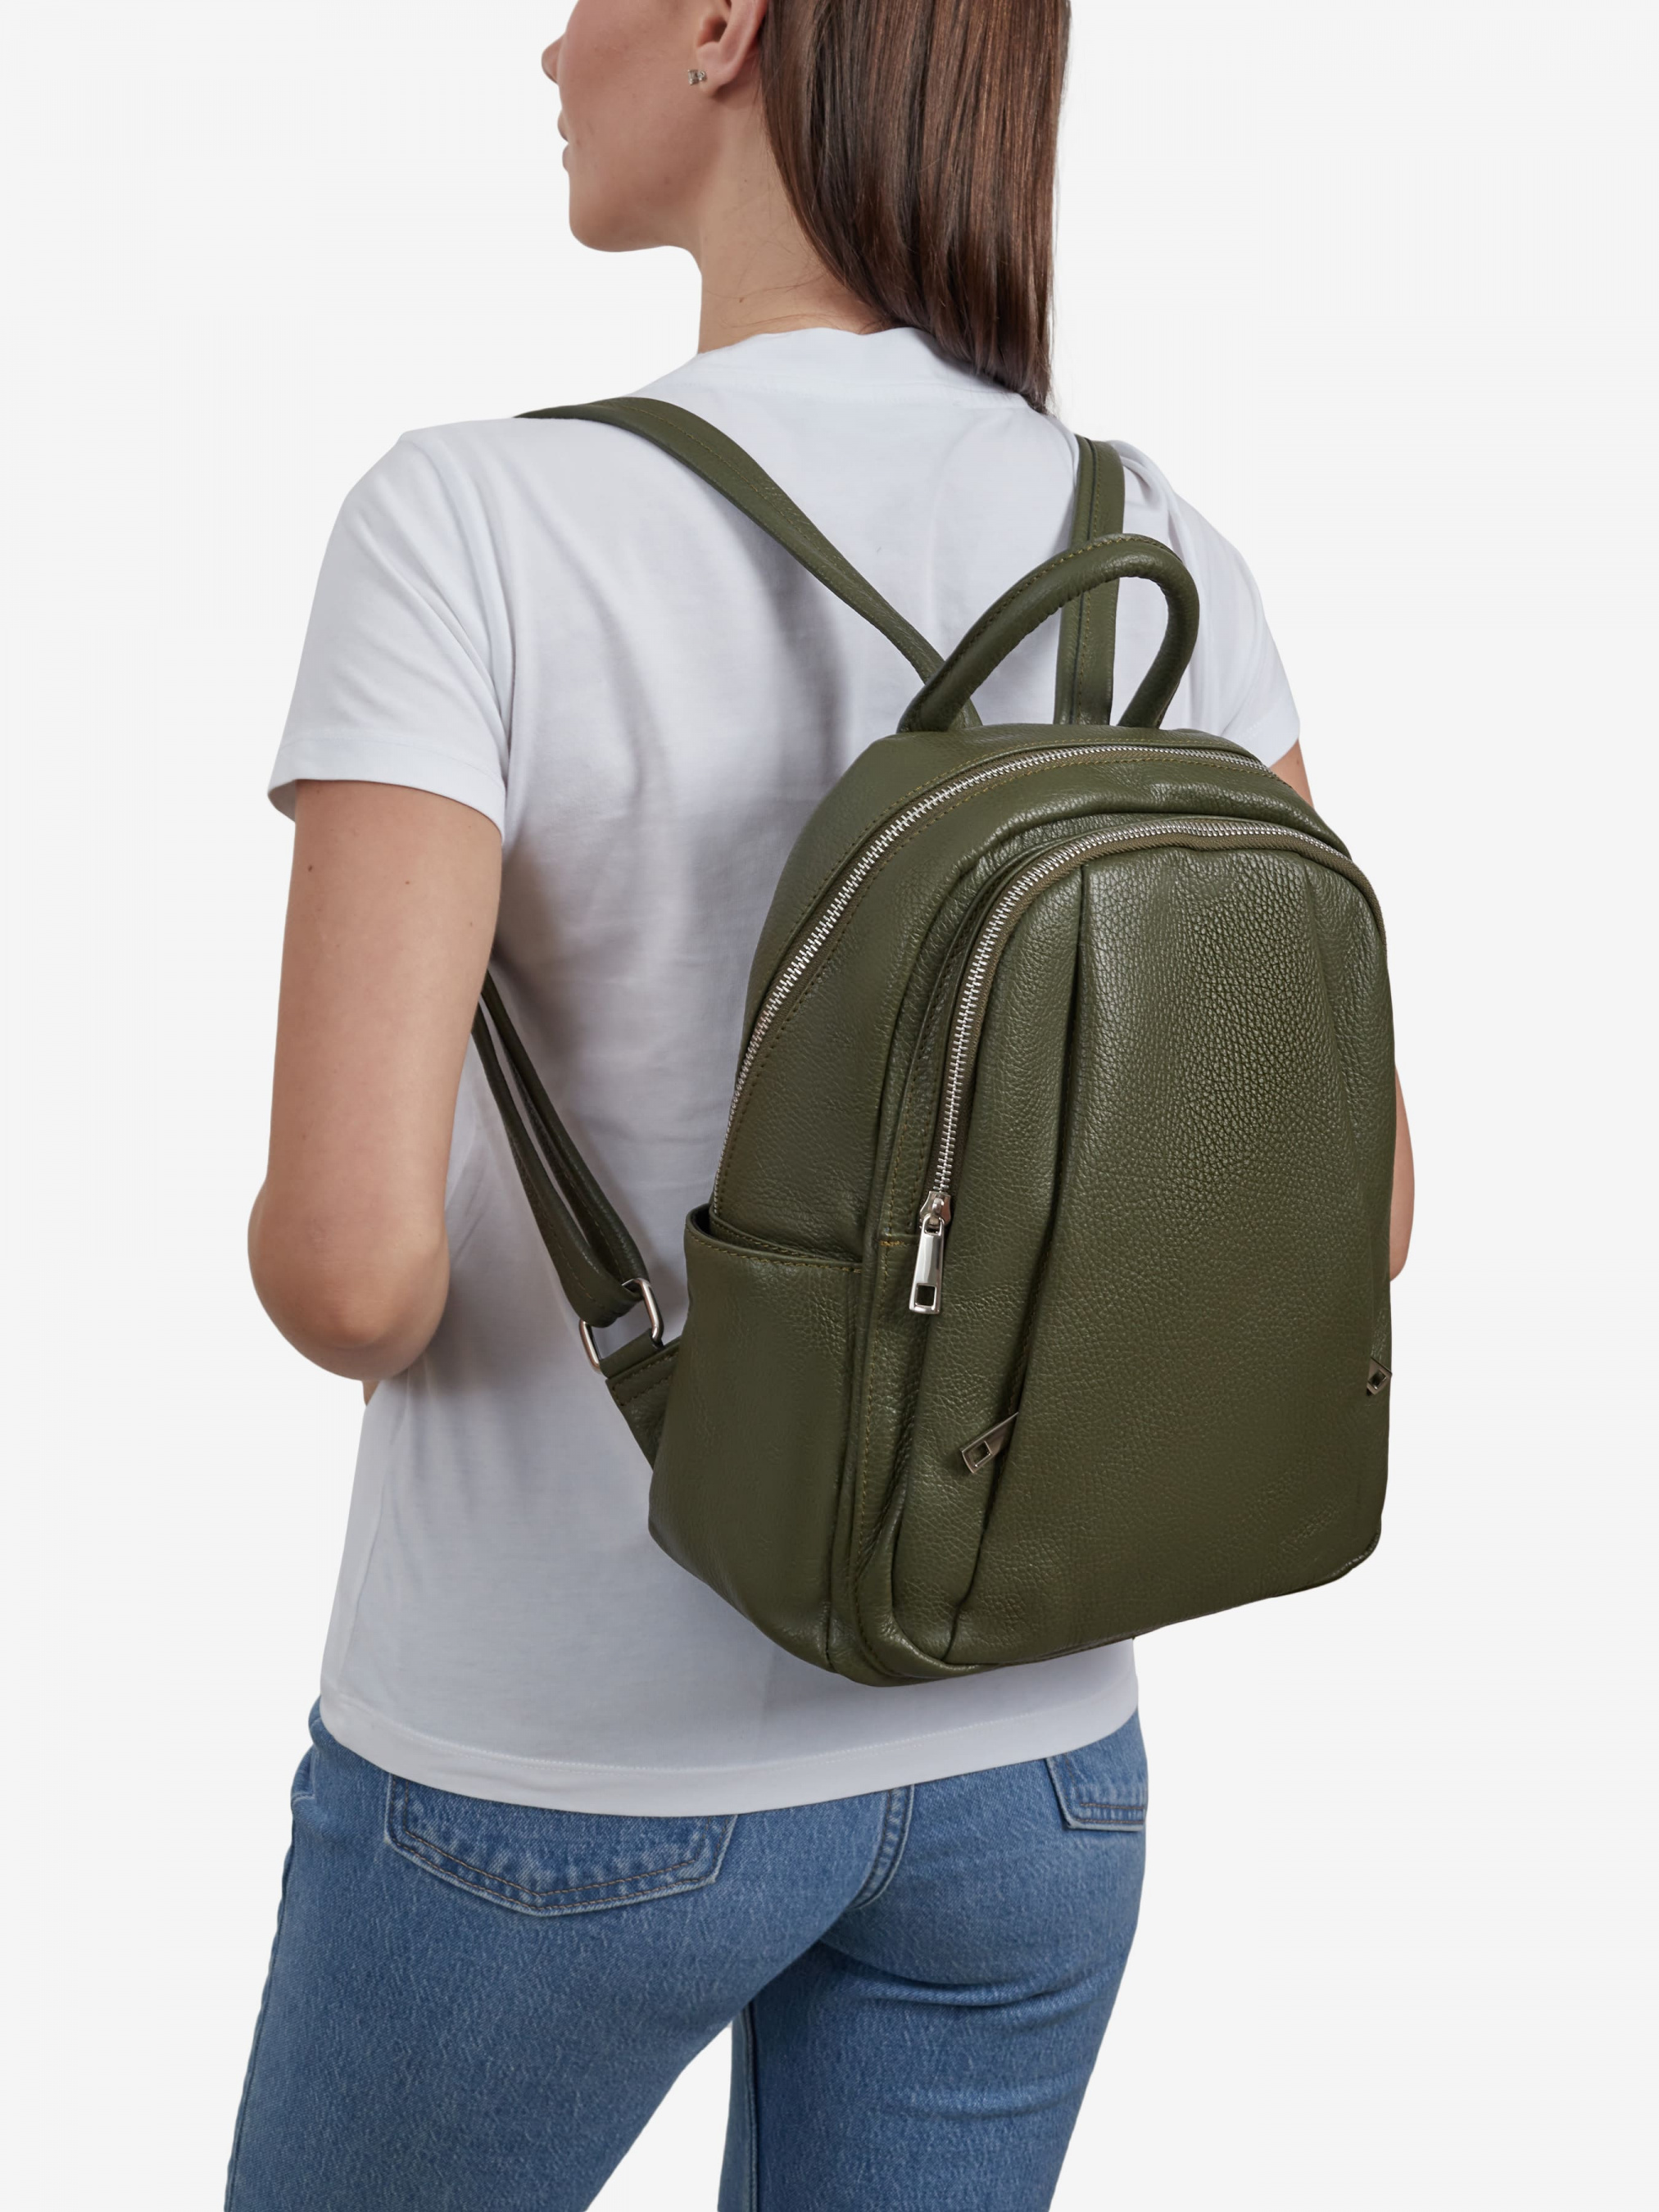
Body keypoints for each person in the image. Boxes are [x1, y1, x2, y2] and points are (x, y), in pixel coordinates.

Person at [228, 2, 1416, 2205]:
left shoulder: (468, 521)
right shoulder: (1150, 538)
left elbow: (352, 1275)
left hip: (548, 1767)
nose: (547, 43)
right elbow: (1359, 1214)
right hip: (1032, 1760)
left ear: (721, 27)